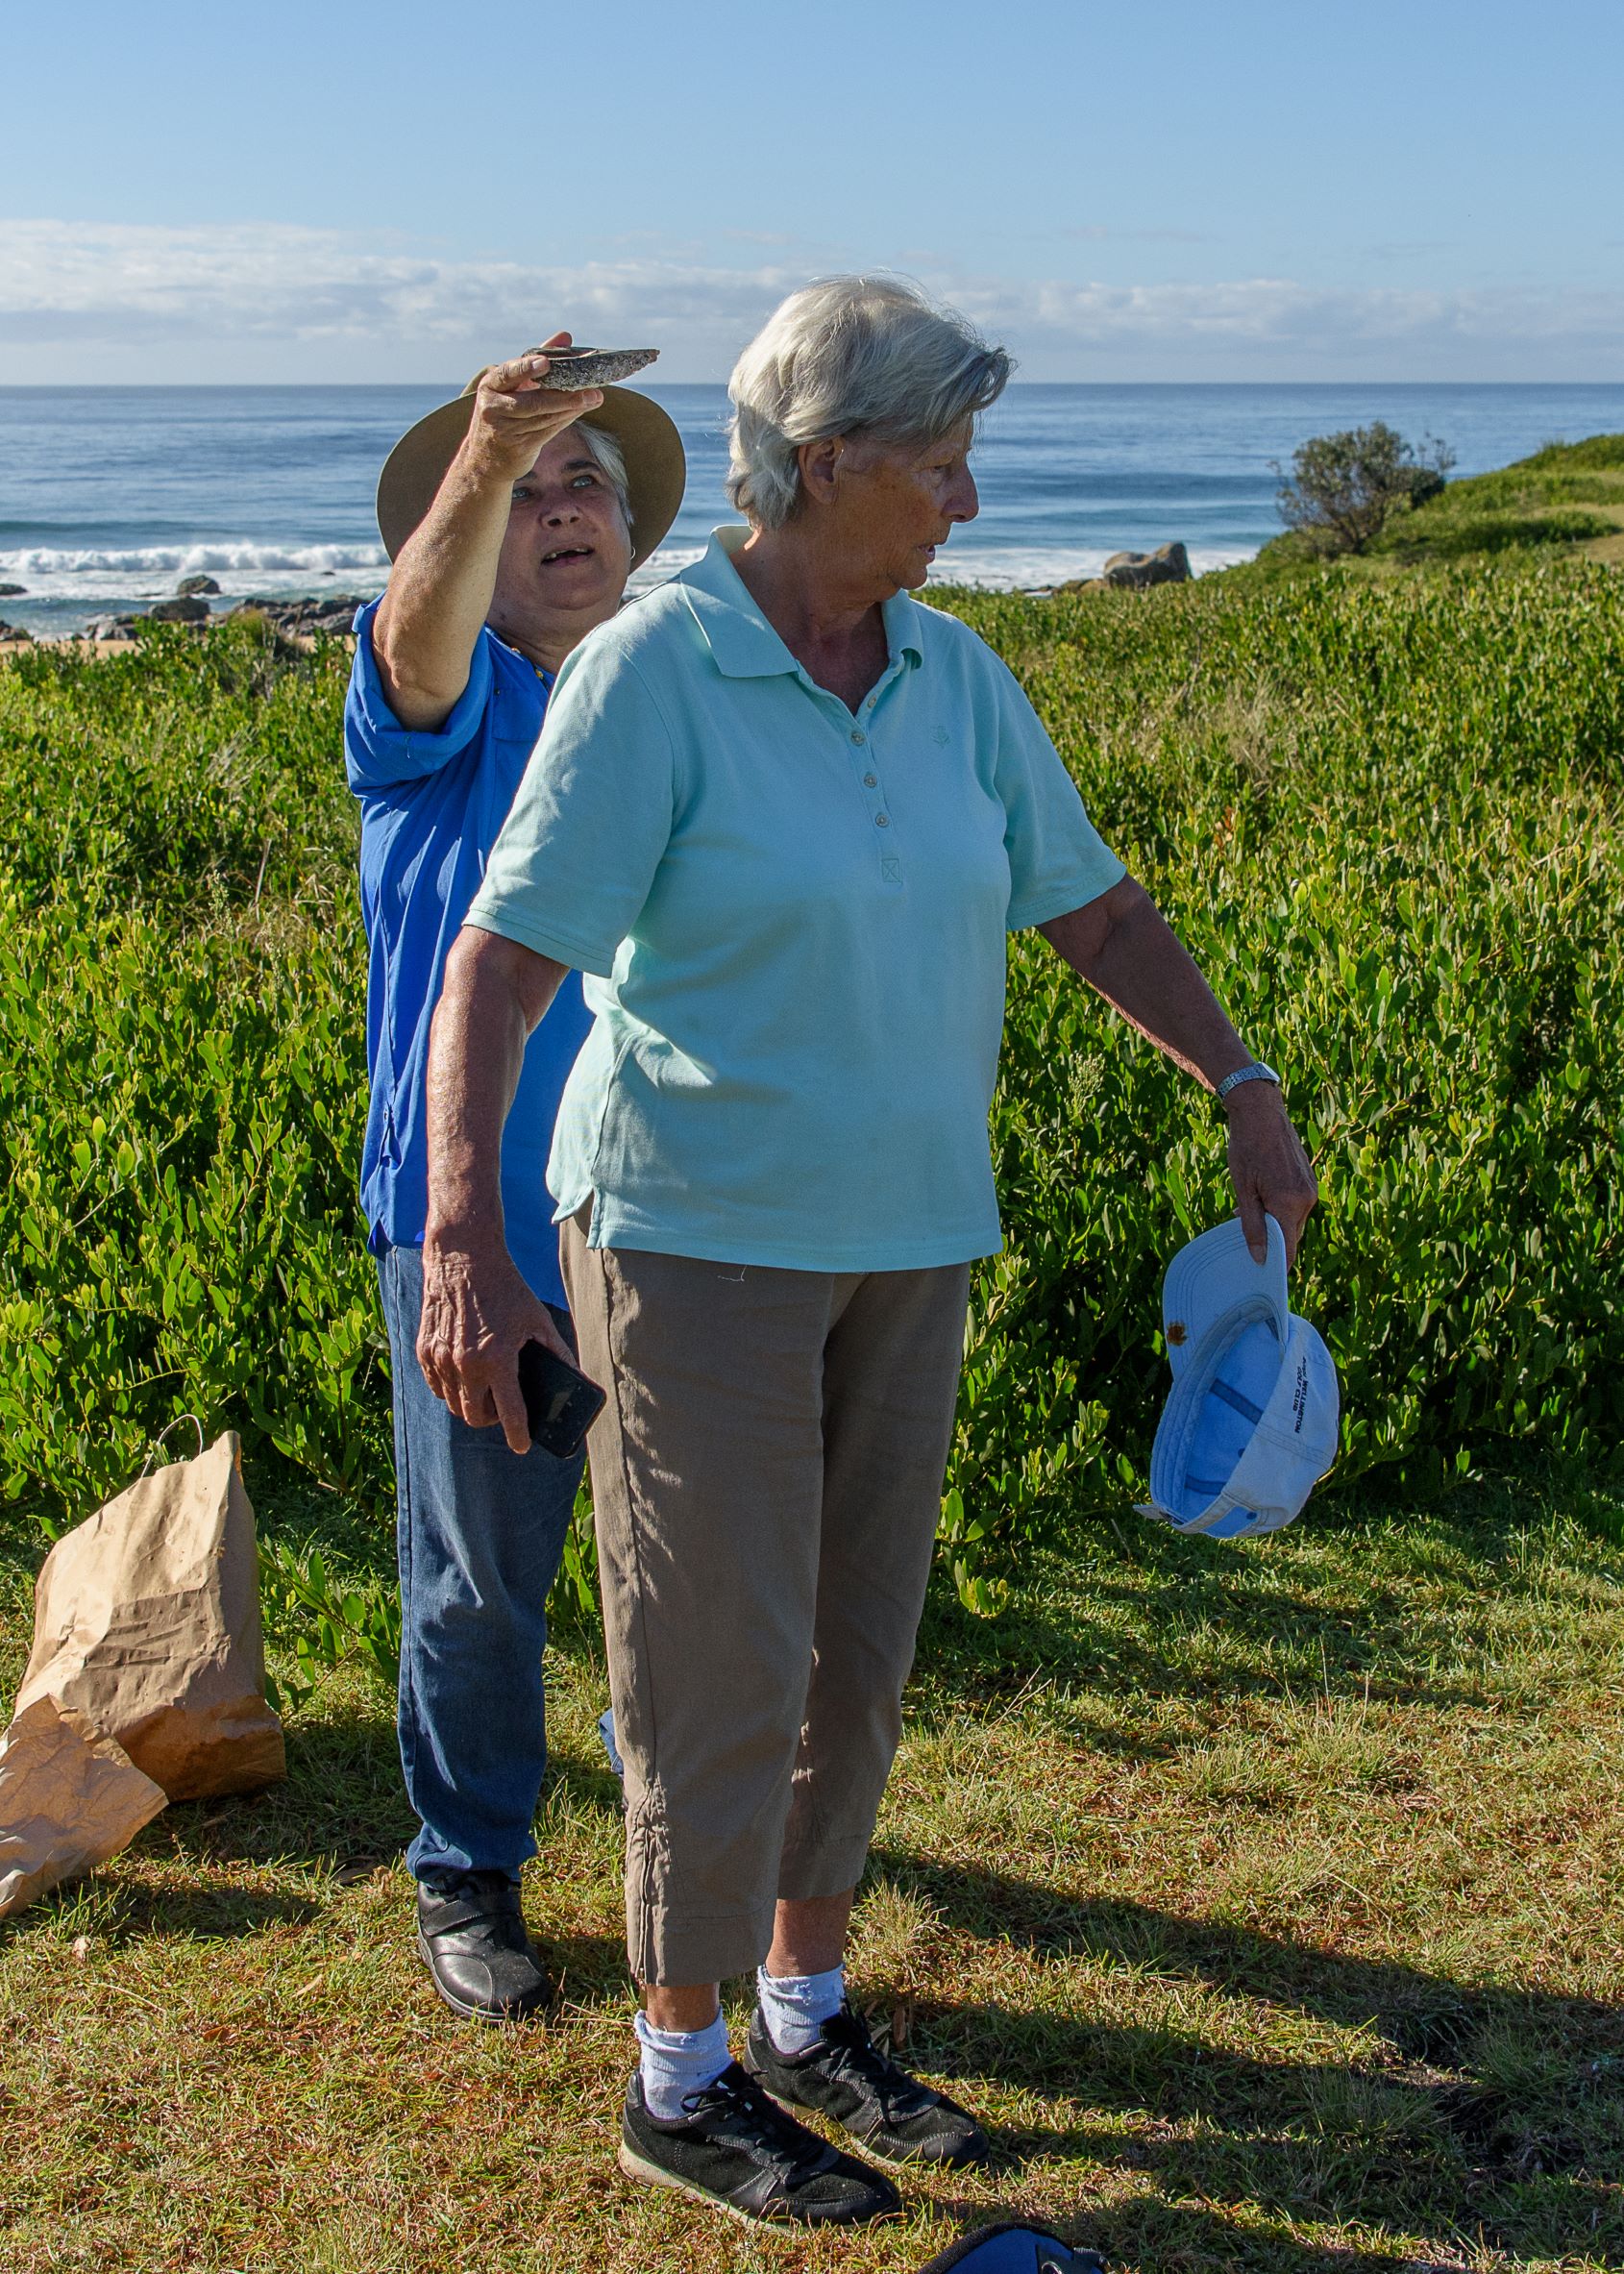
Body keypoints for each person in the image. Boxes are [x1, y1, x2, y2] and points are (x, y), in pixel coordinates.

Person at [416, 276, 1317, 2225]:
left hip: (907, 1239)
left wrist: (1237, 1078)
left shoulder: (953, 679)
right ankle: (679, 2075)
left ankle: (805, 2007)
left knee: (855, 1652)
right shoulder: (651, 671)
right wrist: (464, 1234)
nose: (967, 503)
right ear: (825, 464)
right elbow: (496, 963)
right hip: (687, 1235)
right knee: (711, 1656)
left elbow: (1089, 912)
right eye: (939, 462)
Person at [343, 338, 684, 2021]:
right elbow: (414, 637)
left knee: (679, 1553)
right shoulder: (441, 705)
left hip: (665, 1207)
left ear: (636, 537)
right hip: (471, 1214)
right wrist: (485, 444)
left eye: (589, 489)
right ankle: (465, 1865)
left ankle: (679, 1835)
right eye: (530, 493)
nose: (564, 513)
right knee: (482, 1568)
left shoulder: (681, 700)